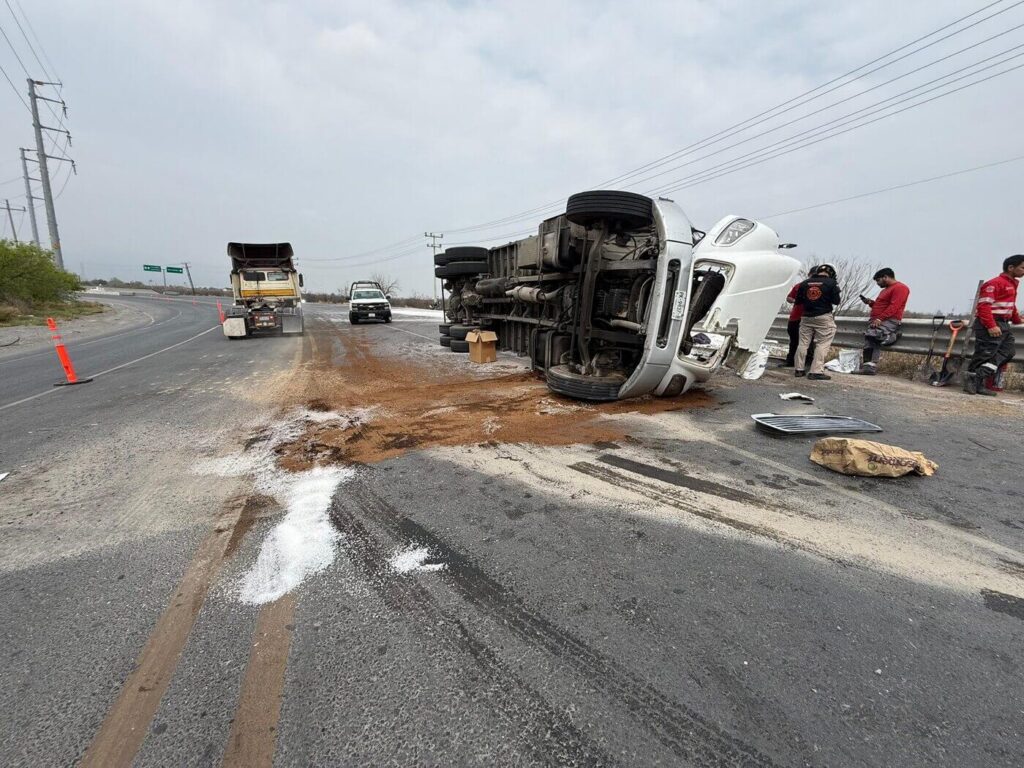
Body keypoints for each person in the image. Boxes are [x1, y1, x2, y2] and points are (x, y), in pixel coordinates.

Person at [963, 254, 1024, 396]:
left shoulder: (1011, 284)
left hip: (1003, 324)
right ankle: (973, 382)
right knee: (984, 354)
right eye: (1022, 267)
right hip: (991, 324)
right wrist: (991, 325)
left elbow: (1010, 305)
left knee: (1008, 352)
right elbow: (984, 306)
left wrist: (1017, 319)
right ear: (1011, 268)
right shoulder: (994, 283)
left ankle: (977, 377)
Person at [853, 267, 910, 375]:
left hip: (888, 320)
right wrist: (870, 303)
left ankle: (891, 336)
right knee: (870, 340)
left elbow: (895, 306)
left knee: (874, 336)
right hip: (876, 320)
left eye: (878, 281)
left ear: (885, 277)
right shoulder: (884, 290)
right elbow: (881, 306)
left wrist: (880, 318)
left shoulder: (900, 288)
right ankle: (868, 367)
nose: (878, 284)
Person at [794, 264, 841, 381]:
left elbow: (798, 301)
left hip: (806, 316)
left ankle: (799, 369)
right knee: (822, 344)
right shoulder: (831, 283)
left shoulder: (805, 283)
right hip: (823, 316)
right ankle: (815, 371)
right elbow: (836, 301)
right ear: (831, 273)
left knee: (803, 343)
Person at [782, 266, 816, 368]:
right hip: (796, 317)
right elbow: (789, 297)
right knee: (794, 340)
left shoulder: (821, 288)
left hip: (809, 318)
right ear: (809, 274)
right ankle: (791, 361)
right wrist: (795, 300)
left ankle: (807, 363)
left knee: (808, 342)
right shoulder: (800, 285)